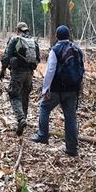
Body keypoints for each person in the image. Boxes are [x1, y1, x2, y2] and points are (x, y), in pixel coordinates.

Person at [30, 25, 84, 157]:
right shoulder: (77, 49)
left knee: (44, 108)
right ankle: (72, 148)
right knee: (70, 117)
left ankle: (42, 135)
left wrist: (45, 88)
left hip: (56, 89)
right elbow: (81, 68)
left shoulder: (55, 50)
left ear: (56, 36)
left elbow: (50, 70)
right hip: (72, 89)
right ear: (68, 35)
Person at [0, 22, 40, 136]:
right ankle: (22, 124)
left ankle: (21, 119)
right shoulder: (33, 42)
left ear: (17, 30)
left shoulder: (15, 39)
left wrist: (2, 70)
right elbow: (38, 59)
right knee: (25, 97)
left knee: (14, 95)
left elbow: (6, 56)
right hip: (29, 74)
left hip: (17, 73)